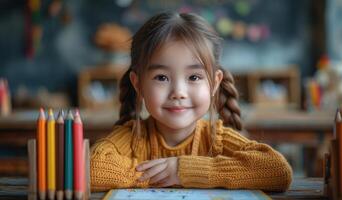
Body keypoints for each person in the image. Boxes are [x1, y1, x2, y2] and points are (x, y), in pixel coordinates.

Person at [90, 11, 292, 192]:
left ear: (214, 83)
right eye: (161, 77)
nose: (178, 92)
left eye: (194, 77)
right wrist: (157, 176)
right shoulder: (133, 138)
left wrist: (183, 170)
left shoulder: (217, 139)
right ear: (138, 84)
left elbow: (277, 170)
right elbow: (90, 168)